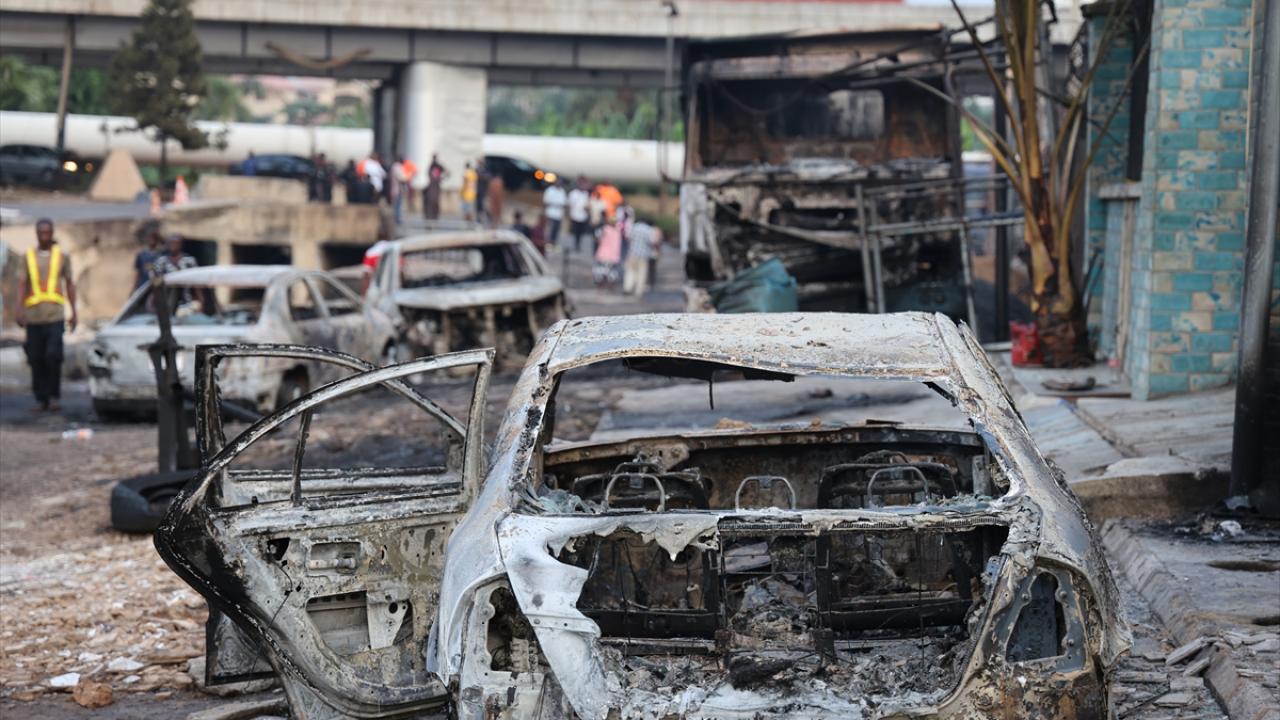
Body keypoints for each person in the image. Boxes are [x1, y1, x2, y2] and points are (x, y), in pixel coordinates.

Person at [15, 219, 77, 412]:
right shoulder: (28, 257)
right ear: (36, 234)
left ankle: (53, 396)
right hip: (33, 317)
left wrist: (74, 311)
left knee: (53, 356)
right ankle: (41, 398)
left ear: (52, 233)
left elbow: (69, 283)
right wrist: (19, 309)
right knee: (36, 358)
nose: (44, 236)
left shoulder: (62, 256)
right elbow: (22, 283)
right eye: (41, 233)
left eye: (47, 233)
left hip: (55, 315)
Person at [623, 217, 659, 296]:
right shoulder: (648, 230)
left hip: (632, 253)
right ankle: (638, 291)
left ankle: (627, 288)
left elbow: (627, 237)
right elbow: (653, 241)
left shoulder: (634, 227)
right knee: (641, 274)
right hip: (643, 255)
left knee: (630, 271)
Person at [593, 215, 623, 289]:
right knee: (612, 270)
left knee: (601, 269)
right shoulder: (618, 230)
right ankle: (610, 284)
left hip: (603, 253)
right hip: (614, 254)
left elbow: (597, 237)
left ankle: (601, 283)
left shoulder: (605, 229)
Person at [133, 220, 163, 289]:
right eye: (150, 238)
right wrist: (135, 287)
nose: (151, 240)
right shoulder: (142, 254)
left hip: (157, 286)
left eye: (154, 238)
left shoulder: (161, 254)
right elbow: (138, 273)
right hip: (144, 285)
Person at [567, 175, 592, 252]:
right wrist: (569, 216)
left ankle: (578, 244)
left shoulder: (586, 194)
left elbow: (588, 205)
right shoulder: (573, 193)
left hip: (583, 216)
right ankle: (575, 245)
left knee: (581, 232)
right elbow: (570, 205)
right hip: (575, 216)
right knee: (575, 232)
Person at [542, 178, 567, 246]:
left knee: (556, 231)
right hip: (550, 214)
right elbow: (545, 202)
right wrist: (545, 213)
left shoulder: (562, 191)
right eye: (558, 182)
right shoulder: (549, 190)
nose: (559, 184)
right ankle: (547, 243)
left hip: (558, 215)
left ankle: (553, 244)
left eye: (560, 182)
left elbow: (564, 203)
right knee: (549, 230)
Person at [424, 154, 446, 220]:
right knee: (431, 200)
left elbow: (446, 171)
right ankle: (431, 215)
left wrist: (441, 178)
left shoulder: (437, 166)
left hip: (435, 185)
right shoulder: (433, 165)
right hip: (433, 185)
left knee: (434, 201)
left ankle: (434, 215)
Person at [391, 156, 410, 225]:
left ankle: (397, 218)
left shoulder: (397, 167)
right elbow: (402, 178)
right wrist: (409, 175)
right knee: (397, 205)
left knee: (398, 204)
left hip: (398, 189)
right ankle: (397, 219)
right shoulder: (397, 167)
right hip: (397, 189)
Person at [475, 159, 490, 224]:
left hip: (483, 190)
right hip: (478, 190)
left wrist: (481, 176)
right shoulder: (477, 169)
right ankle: (479, 218)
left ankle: (488, 217)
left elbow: (487, 177)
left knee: (483, 205)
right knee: (478, 205)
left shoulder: (485, 170)